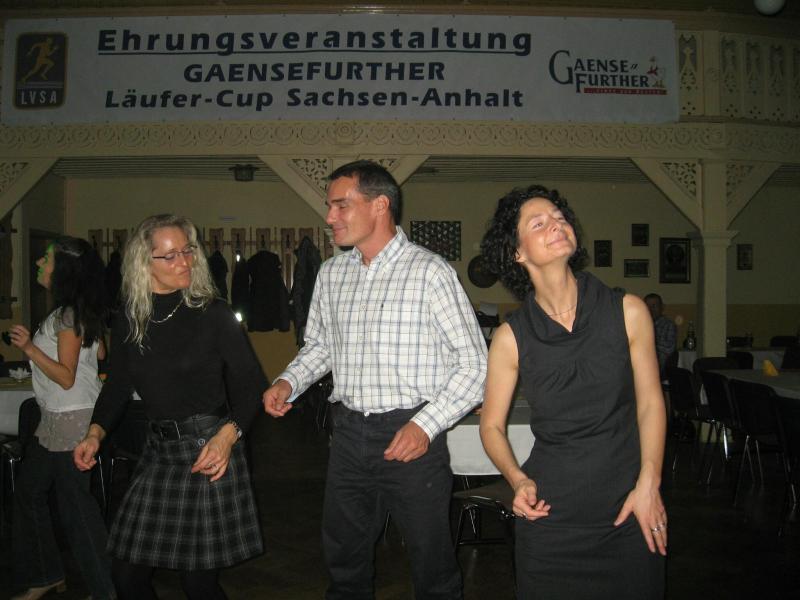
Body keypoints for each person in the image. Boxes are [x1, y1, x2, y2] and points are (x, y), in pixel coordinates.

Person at [263, 160, 487, 600]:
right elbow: (321, 347)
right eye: (330, 206)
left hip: (411, 432)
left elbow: (475, 365)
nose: (330, 217)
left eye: (341, 205)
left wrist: (425, 426)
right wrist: (289, 382)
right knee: (344, 560)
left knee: (432, 566)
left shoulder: (429, 272)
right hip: (348, 434)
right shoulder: (332, 274)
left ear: (380, 205)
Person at [479, 185, 667, 600]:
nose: (557, 225)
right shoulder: (511, 337)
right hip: (551, 519)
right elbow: (490, 426)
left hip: (628, 506)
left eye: (560, 218)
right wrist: (518, 480)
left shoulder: (628, 311)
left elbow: (651, 404)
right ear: (517, 252)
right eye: (538, 223)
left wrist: (649, 484)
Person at [73, 214, 267, 600]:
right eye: (170, 255)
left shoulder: (214, 314)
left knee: (198, 583)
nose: (185, 262)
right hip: (159, 453)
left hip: (209, 449)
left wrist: (228, 437)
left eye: (187, 251)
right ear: (144, 262)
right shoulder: (130, 319)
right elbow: (118, 386)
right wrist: (95, 432)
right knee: (126, 574)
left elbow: (252, 386)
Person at [9, 237, 116, 600]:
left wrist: (29, 348)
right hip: (58, 417)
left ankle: (105, 590)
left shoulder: (70, 314)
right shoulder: (74, 312)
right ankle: (46, 575)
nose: (39, 262)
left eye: (47, 258)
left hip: (72, 419)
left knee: (76, 509)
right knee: (30, 492)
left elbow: (66, 377)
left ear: (64, 270)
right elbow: (99, 352)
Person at [644, 293, 677, 378]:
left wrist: (648, 345)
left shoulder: (668, 325)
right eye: (647, 306)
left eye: (654, 306)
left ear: (662, 307)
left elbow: (669, 349)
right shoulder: (639, 323)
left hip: (658, 365)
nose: (651, 309)